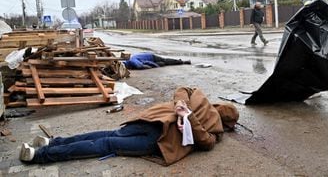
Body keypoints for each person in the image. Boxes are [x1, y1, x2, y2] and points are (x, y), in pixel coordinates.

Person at [19, 87, 239, 165]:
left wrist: (184, 109)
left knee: (108, 135)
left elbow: (182, 90)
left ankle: (51, 142)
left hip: (150, 122)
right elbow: (207, 143)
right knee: (106, 143)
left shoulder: (199, 97)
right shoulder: (213, 122)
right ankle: (40, 155)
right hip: (155, 138)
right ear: (227, 123)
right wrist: (185, 113)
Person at [123, 52, 191, 70]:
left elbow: (140, 66)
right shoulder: (130, 61)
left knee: (165, 61)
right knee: (163, 63)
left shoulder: (131, 60)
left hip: (151, 57)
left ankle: (182, 62)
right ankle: (177, 62)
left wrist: (150, 66)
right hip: (149, 60)